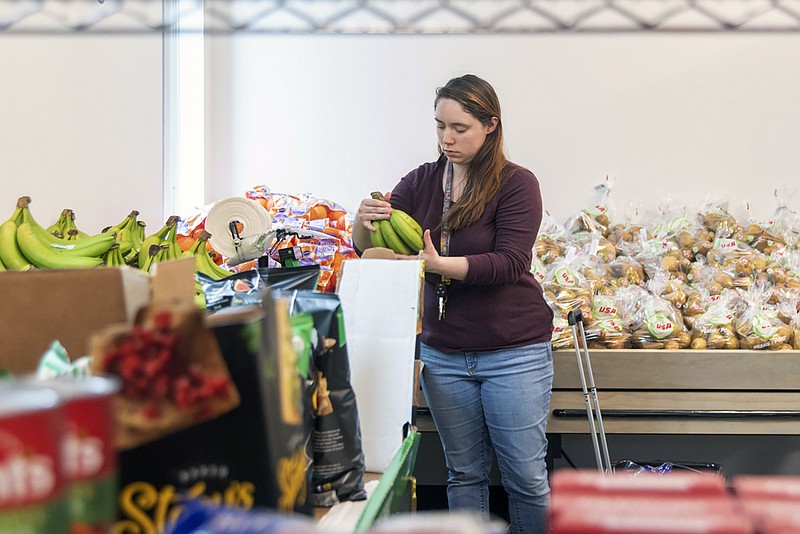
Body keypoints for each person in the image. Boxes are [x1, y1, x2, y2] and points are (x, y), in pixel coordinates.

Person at [352, 74, 554, 534]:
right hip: (443, 353)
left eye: (460, 128)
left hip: (513, 353)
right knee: (464, 475)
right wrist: (363, 221)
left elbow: (509, 262)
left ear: (490, 126)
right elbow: (367, 246)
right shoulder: (421, 181)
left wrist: (437, 266)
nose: (447, 138)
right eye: (440, 126)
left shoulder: (517, 184)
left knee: (525, 478)